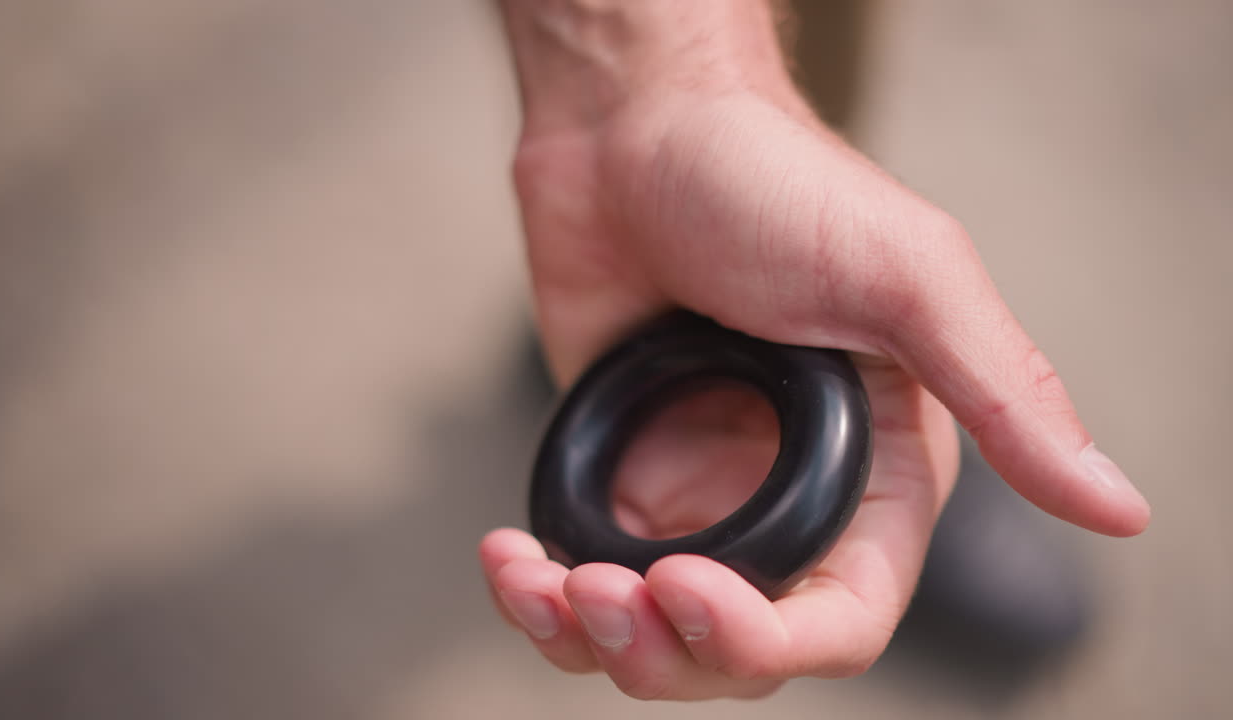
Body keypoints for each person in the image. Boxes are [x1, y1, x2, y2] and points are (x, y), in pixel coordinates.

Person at [479, 0, 1150, 701]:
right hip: (694, 320)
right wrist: (632, 83)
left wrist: (656, 92)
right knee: (722, 149)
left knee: (803, 93)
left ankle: (826, 356)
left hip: (741, 295)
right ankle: (624, 291)